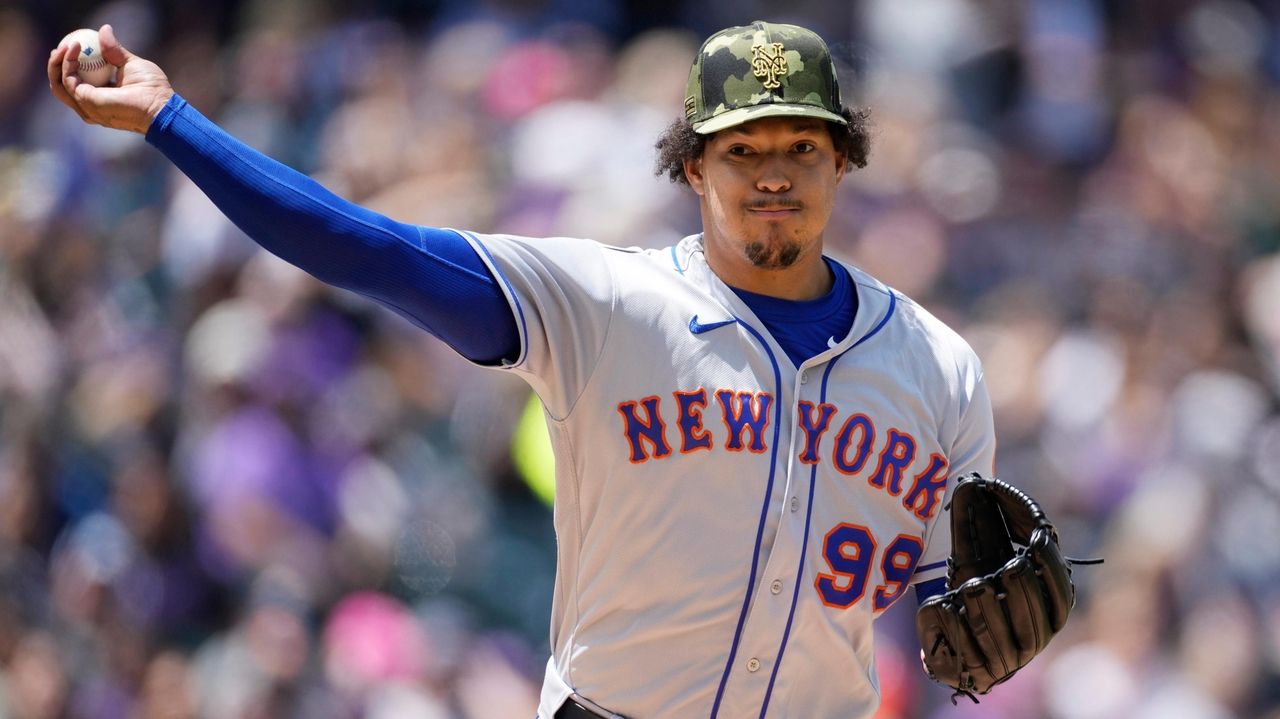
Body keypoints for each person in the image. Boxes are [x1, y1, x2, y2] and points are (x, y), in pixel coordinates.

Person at [49, 20, 995, 719]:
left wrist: (979, 631)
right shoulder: (601, 302)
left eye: (803, 148)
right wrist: (172, 119)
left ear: (843, 163)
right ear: (694, 169)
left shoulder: (938, 369)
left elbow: (963, 615)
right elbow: (362, 246)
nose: (774, 174)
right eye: (742, 149)